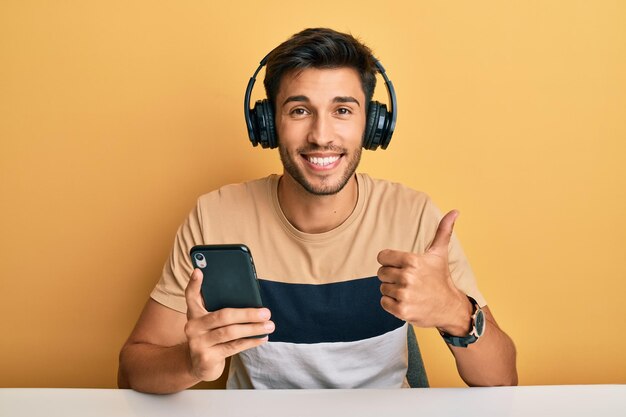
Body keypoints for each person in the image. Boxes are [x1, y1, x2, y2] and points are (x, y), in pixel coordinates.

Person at [117, 27, 517, 394]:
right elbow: (132, 370)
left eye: (342, 110)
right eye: (299, 110)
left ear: (373, 125)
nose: (321, 136)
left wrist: (456, 313)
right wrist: (189, 363)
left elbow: (502, 381)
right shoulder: (216, 216)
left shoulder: (412, 215)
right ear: (268, 124)